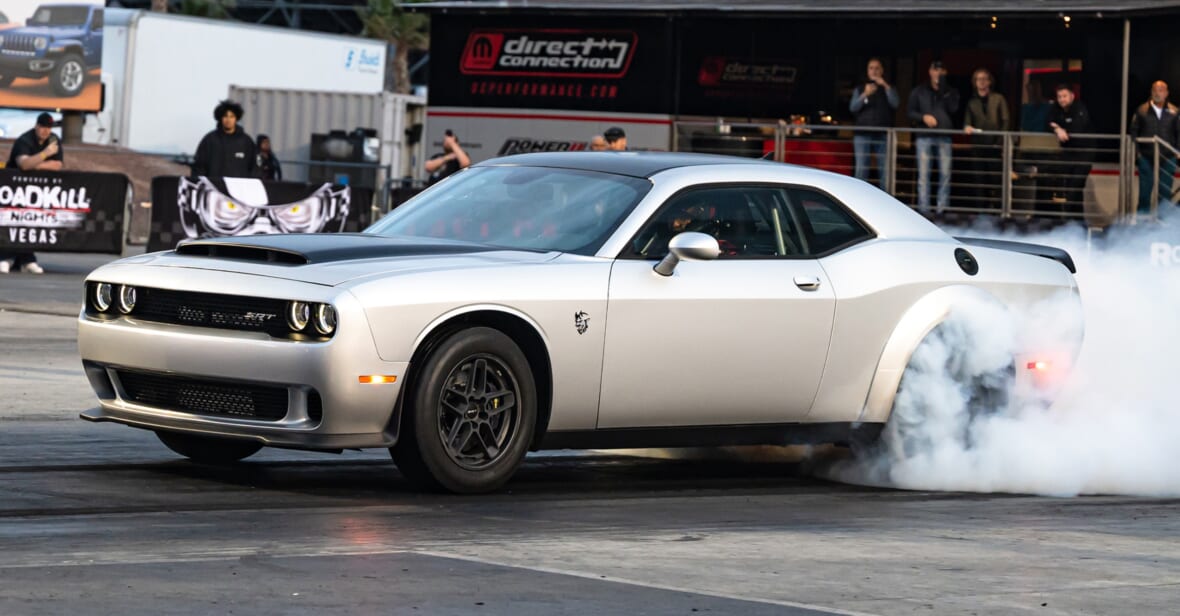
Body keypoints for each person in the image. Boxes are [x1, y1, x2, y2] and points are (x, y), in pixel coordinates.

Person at [0, 112, 61, 274]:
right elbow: (24, 165)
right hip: (13, 188)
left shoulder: (54, 140)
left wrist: (35, 163)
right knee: (12, 221)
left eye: (49, 127)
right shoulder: (25, 140)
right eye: (43, 127)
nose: (46, 131)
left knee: (30, 223)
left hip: (37, 191)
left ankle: (26, 259)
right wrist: (45, 154)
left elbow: (57, 165)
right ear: (37, 126)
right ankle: (5, 256)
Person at [907, 60, 960, 213]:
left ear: (945, 72)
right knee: (924, 176)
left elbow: (953, 109)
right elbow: (910, 112)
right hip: (924, 136)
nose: (938, 73)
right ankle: (924, 210)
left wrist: (943, 89)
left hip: (944, 136)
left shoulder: (951, 91)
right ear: (930, 71)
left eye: (941, 70)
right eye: (935, 70)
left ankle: (941, 210)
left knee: (945, 175)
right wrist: (923, 117)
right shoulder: (919, 90)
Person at [1129, 80, 1180, 215]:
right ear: (1151, 92)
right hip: (1146, 157)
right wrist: (1137, 155)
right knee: (1145, 191)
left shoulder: (1175, 112)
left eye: (1161, 90)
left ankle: (1163, 224)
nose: (1158, 93)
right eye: (1155, 90)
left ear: (1167, 93)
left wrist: (1177, 152)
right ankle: (1142, 223)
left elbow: (1179, 133)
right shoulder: (1141, 110)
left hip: (1168, 157)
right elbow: (1133, 133)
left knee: (1165, 192)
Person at [849, 58, 899, 189]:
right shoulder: (860, 88)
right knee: (861, 169)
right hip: (862, 134)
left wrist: (886, 86)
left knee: (884, 170)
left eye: (877, 68)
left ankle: (885, 201)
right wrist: (865, 94)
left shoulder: (888, 87)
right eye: (871, 68)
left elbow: (896, 103)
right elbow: (853, 107)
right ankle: (858, 200)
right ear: (867, 71)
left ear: (882, 71)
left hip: (882, 134)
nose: (874, 71)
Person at [963, 68, 1010, 209]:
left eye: (984, 79)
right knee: (979, 179)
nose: (981, 82)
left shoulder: (999, 98)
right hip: (978, 146)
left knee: (996, 179)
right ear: (975, 82)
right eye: (978, 79)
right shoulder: (972, 102)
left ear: (989, 81)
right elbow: (967, 122)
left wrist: (1000, 143)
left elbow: (1006, 121)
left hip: (995, 146)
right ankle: (981, 210)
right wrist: (967, 127)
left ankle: (996, 208)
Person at [1047, 85, 1094, 214]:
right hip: (1068, 155)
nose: (1062, 100)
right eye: (1059, 97)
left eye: (1064, 96)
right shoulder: (1056, 108)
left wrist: (1063, 128)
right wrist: (1057, 129)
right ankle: (1076, 223)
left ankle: (1071, 220)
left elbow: (1077, 127)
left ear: (1072, 96)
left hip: (1083, 155)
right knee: (1069, 187)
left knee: (1075, 188)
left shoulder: (1080, 108)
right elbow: (1048, 121)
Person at [191, 99, 258, 178]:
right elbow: (199, 167)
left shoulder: (246, 142)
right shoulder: (209, 140)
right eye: (225, 116)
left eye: (232, 116)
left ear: (236, 118)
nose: (228, 120)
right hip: (214, 188)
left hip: (238, 188)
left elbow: (254, 168)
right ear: (220, 118)